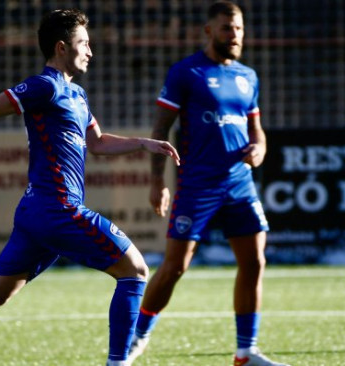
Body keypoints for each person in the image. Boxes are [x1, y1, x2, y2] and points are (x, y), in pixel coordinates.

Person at [0, 9, 180, 366]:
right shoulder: (44, 86)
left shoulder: (76, 94)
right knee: (135, 271)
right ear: (62, 47)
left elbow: (98, 143)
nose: (91, 51)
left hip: (37, 215)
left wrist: (143, 143)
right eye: (84, 44)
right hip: (57, 209)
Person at [126, 2, 289, 366]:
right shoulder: (187, 73)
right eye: (228, 28)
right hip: (197, 184)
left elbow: (256, 129)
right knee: (175, 267)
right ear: (209, 31)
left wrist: (260, 147)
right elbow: (160, 130)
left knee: (255, 262)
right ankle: (137, 335)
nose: (235, 36)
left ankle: (246, 353)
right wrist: (158, 181)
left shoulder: (248, 76)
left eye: (239, 29)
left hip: (239, 183)